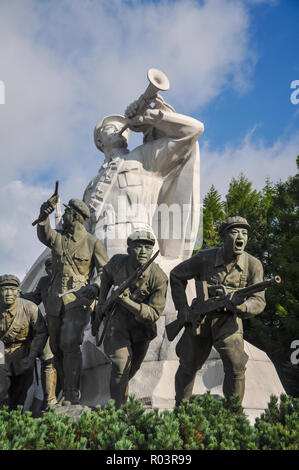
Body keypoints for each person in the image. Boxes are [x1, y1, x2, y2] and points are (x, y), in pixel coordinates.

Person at [83, 94, 204, 259]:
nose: (118, 129)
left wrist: (148, 116)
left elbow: (193, 130)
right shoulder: (91, 185)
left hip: (137, 240)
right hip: (96, 247)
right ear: (99, 140)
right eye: (110, 127)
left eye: (122, 126)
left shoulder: (144, 157)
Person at [170, 216, 266, 405]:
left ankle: (233, 416)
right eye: (234, 232)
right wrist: (182, 309)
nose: (241, 237)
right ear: (223, 236)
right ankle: (181, 412)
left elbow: (259, 300)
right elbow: (176, 275)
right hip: (201, 319)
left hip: (228, 321)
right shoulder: (204, 258)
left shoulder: (253, 265)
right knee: (188, 365)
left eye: (245, 233)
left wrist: (242, 307)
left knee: (236, 365)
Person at [36, 197, 108, 405]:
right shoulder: (59, 238)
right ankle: (58, 391)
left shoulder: (93, 242)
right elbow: (44, 234)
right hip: (55, 301)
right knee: (57, 347)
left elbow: (104, 270)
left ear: (75, 216)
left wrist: (95, 285)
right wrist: (44, 214)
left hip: (79, 299)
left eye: (66, 212)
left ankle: (71, 393)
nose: (64, 216)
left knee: (69, 343)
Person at [93, 230, 168, 409]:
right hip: (116, 323)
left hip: (141, 329)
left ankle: (122, 402)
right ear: (129, 249)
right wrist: (102, 304)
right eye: (138, 246)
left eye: (148, 247)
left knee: (130, 369)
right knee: (120, 364)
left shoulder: (158, 277)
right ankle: (115, 412)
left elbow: (154, 314)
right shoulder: (118, 262)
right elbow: (105, 277)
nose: (143, 251)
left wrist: (127, 302)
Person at [0, 274, 48, 410]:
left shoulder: (29, 308)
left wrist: (32, 355)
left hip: (23, 355)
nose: (8, 293)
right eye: (4, 289)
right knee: (2, 392)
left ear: (18, 292)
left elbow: (41, 332)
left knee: (20, 395)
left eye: (12, 289)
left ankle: (15, 424)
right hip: (1, 354)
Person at [21, 257, 58, 409]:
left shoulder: (68, 279)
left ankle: (68, 394)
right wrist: (20, 295)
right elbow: (35, 298)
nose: (50, 270)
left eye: (53, 266)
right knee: (47, 358)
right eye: (48, 267)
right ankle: (49, 400)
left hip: (66, 323)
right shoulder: (43, 281)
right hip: (50, 324)